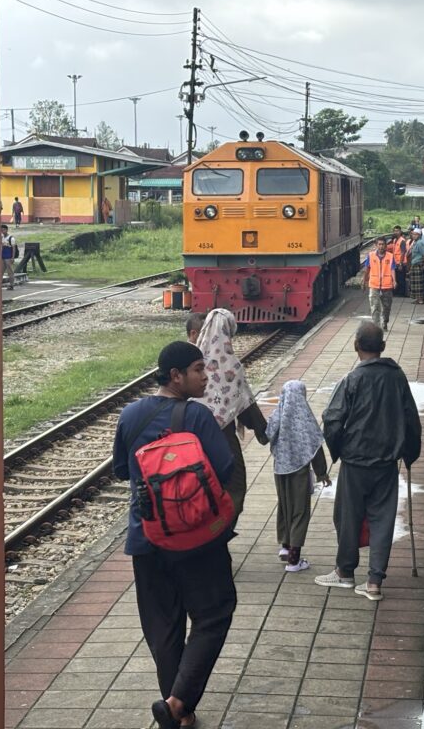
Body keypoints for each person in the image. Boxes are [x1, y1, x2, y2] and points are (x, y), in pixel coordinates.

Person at [112, 341, 236, 729]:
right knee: (214, 614)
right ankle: (178, 702)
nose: (206, 376)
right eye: (199, 369)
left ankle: (179, 714)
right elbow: (224, 468)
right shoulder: (198, 417)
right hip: (197, 541)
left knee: (163, 628)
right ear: (176, 375)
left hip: (146, 540)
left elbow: (121, 470)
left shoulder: (131, 414)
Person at [316, 322, 421, 601]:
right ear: (383, 347)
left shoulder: (352, 380)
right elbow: (411, 418)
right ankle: (374, 582)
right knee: (382, 519)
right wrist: (410, 453)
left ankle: (345, 572)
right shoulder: (397, 378)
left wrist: (338, 450)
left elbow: (332, 419)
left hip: (356, 461)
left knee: (347, 516)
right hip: (386, 462)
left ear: (355, 346)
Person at [196, 309, 269, 523]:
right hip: (223, 438)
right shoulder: (230, 365)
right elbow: (244, 403)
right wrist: (264, 433)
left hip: (193, 438)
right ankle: (222, 531)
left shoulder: (194, 359)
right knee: (235, 485)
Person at [268, 380, 331, 572]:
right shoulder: (305, 418)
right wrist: (321, 473)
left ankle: (285, 547)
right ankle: (294, 561)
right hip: (299, 472)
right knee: (300, 512)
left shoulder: (278, 414)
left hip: (280, 470)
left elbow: (267, 434)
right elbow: (315, 447)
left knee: (285, 508)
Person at [362, 237, 396, 331]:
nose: (381, 246)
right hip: (374, 285)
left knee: (386, 307)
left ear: (386, 246)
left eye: (383, 244)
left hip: (387, 285)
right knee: (375, 307)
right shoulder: (371, 255)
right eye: (379, 244)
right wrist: (364, 281)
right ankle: (376, 326)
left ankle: (385, 322)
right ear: (376, 245)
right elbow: (367, 269)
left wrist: (394, 280)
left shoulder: (390, 256)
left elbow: (392, 269)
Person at [387, 225, 409, 297]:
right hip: (395, 262)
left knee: (401, 278)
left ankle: (401, 293)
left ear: (400, 231)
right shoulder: (394, 240)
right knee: (396, 278)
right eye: (395, 231)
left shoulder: (402, 241)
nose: (396, 232)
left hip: (401, 263)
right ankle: (396, 292)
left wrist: (400, 263)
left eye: (397, 231)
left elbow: (402, 252)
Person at [408, 228, 424, 304]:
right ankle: (420, 298)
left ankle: (420, 300)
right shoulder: (415, 243)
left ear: (419, 235)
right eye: (413, 234)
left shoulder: (419, 243)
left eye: (415, 234)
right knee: (416, 283)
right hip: (414, 264)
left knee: (418, 283)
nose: (413, 236)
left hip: (418, 265)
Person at [1, 224, 17, 290]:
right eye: (1, 230)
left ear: (6, 230)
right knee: (0, 271)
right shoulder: (2, 237)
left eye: (3, 230)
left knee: (10, 271)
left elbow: (13, 248)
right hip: (2, 256)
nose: (2, 231)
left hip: (8, 257)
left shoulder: (11, 238)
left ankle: (11, 285)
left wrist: (12, 257)